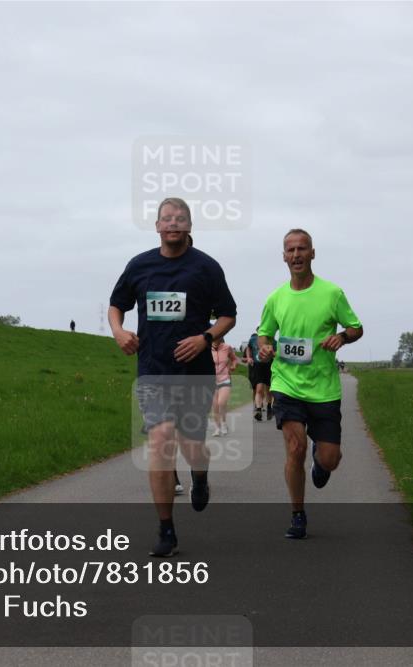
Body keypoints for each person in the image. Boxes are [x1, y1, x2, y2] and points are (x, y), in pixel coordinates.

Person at [109, 197, 236, 557]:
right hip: (153, 370)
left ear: (190, 226)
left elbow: (229, 314)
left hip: (195, 373)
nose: (173, 223)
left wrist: (205, 338)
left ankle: (200, 474)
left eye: (180, 218)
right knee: (162, 440)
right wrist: (119, 331)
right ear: (157, 226)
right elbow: (117, 304)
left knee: (192, 445)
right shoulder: (140, 265)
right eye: (167, 218)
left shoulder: (206, 267)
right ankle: (166, 529)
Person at [257, 229, 363, 539]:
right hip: (287, 383)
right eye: (290, 250)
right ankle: (298, 513)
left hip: (324, 387)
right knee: (295, 446)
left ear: (312, 253)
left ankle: (321, 464)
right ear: (284, 257)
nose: (296, 255)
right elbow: (265, 333)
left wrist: (341, 337)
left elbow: (356, 327)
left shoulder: (332, 293)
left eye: (302, 249)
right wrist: (264, 346)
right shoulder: (276, 298)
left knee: (330, 458)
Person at [243, 329, 274, 421]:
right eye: (259, 329)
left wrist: (273, 355)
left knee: (268, 391)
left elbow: (276, 353)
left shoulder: (273, 341)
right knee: (259, 388)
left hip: (269, 366)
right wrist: (249, 357)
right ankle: (258, 410)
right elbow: (248, 348)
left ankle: (269, 408)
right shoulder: (253, 339)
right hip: (258, 366)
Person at [210, 336, 238, 436]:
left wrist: (233, 365)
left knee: (221, 402)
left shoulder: (227, 347)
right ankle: (217, 428)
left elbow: (234, 359)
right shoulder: (206, 349)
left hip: (225, 379)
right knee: (215, 406)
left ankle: (224, 424)